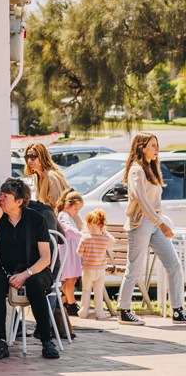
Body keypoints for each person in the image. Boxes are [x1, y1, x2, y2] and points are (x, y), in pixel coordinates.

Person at [0, 177, 59, 361]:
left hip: (35, 269)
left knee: (36, 285)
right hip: (6, 269)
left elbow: (46, 257)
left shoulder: (36, 219)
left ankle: (47, 340)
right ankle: (0, 341)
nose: (0, 199)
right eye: (0, 194)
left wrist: (26, 274)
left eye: (6, 196)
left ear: (19, 201)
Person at [116, 132, 185, 325]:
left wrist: (158, 221)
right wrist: (160, 223)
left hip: (154, 223)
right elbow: (142, 200)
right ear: (142, 147)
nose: (157, 149)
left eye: (157, 145)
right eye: (152, 145)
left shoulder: (151, 169)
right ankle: (124, 310)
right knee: (135, 269)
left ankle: (178, 310)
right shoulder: (136, 170)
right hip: (141, 223)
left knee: (174, 265)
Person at [77, 208, 115, 320]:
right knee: (98, 292)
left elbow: (79, 252)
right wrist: (105, 232)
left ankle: (84, 312)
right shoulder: (104, 239)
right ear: (102, 224)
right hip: (101, 270)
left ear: (88, 223)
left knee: (86, 290)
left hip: (88, 269)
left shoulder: (85, 238)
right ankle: (99, 313)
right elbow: (113, 241)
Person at [54, 189, 85, 315]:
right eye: (75, 209)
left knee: (71, 278)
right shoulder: (63, 216)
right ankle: (71, 304)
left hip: (71, 251)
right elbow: (68, 229)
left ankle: (66, 301)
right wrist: (82, 235)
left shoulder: (66, 216)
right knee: (71, 278)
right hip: (68, 252)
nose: (76, 212)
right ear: (68, 205)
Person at [24, 143, 70, 208]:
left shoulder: (51, 176)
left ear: (42, 157)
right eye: (27, 157)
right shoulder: (37, 176)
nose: (29, 160)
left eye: (33, 157)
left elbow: (56, 205)